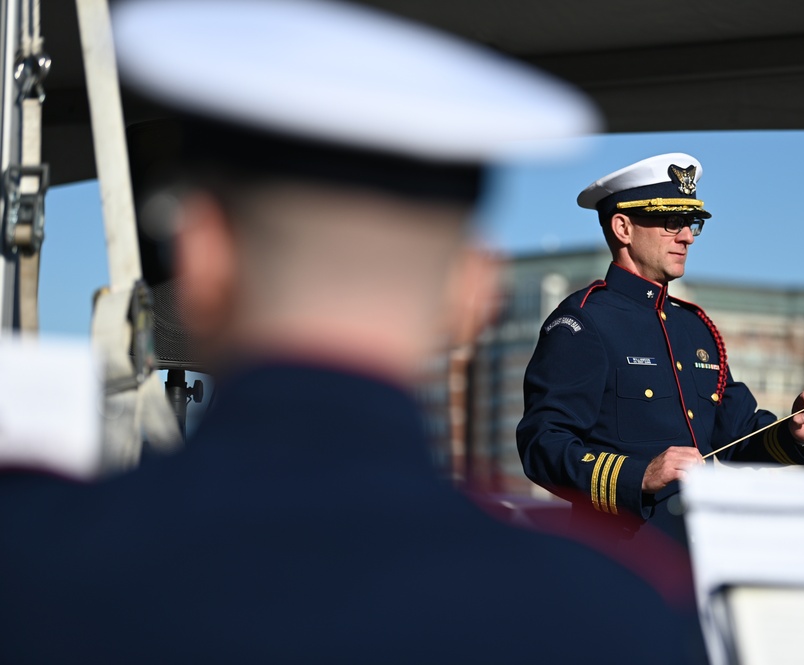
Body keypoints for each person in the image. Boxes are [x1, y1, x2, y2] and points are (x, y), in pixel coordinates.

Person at [0, 2, 710, 663]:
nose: (683, 232)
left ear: (201, 258)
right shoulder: (611, 616)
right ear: (471, 295)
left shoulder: (30, 561)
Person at [517, 152, 804, 545]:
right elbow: (543, 444)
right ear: (623, 227)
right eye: (672, 222)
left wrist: (798, 435)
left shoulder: (695, 327)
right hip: (619, 559)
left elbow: (736, 434)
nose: (688, 236)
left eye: (690, 223)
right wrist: (639, 475)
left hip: (704, 556)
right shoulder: (583, 322)